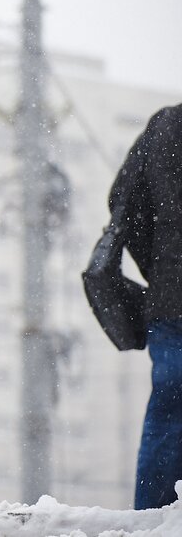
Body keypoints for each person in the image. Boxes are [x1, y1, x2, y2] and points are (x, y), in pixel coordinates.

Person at [112, 104, 182, 509]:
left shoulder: (169, 126)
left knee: (170, 408)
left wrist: (161, 267)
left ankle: (153, 517)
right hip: (173, 297)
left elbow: (124, 203)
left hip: (173, 300)